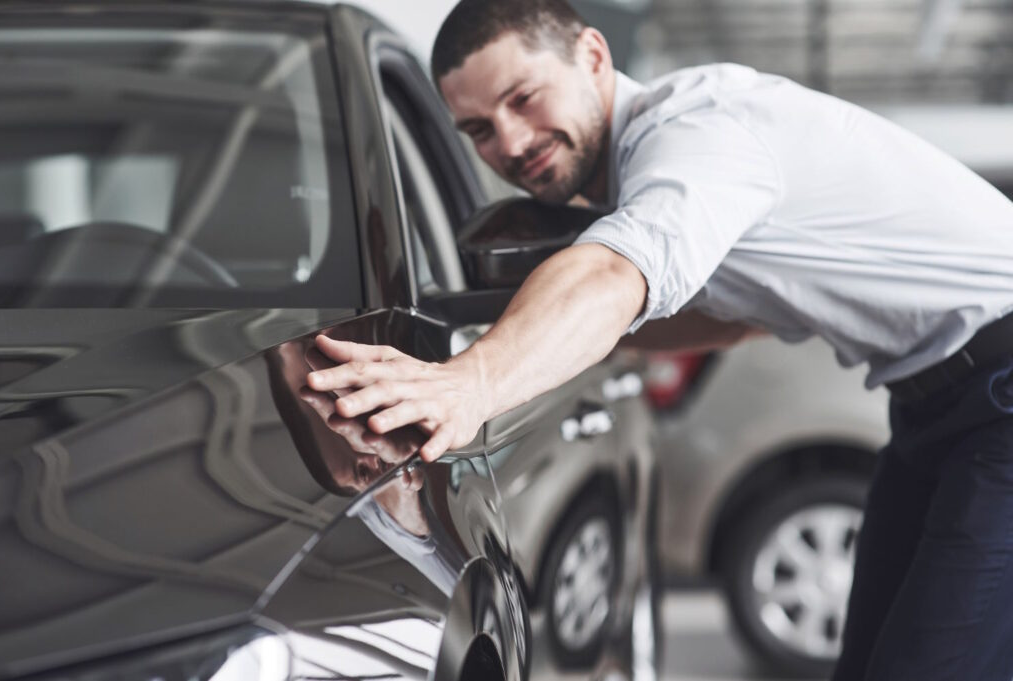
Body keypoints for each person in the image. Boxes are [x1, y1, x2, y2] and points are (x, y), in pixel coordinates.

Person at [305, 0, 1013, 678]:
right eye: (479, 129)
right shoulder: (673, 170)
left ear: (591, 55)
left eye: (523, 98)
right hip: (943, 409)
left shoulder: (696, 134)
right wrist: (539, 339)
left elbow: (616, 269)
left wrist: (469, 382)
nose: (509, 143)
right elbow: (737, 317)